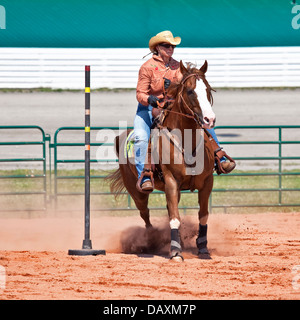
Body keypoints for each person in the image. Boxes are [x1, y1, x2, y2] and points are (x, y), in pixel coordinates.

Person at [134, 30, 235, 192]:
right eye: (166, 45)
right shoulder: (147, 67)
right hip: (148, 109)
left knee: (204, 122)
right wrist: (150, 99)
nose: (170, 48)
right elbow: (140, 93)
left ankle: (218, 156)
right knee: (140, 137)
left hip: (171, 109)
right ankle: (145, 175)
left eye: (172, 46)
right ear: (157, 47)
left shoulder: (177, 66)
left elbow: (186, 87)